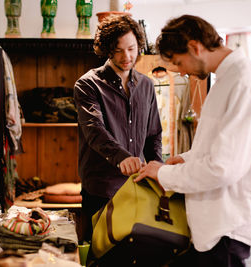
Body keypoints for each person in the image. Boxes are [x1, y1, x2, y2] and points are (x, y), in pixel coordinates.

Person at [134, 15, 251, 267]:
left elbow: (224, 167)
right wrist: (186, 158)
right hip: (216, 221)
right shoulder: (227, 78)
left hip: (229, 222)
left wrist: (164, 174)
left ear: (194, 47)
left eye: (179, 62)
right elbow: (220, 144)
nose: (181, 71)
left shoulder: (245, 82)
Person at [74, 15, 163, 242]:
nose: (127, 57)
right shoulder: (87, 84)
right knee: (101, 254)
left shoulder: (146, 85)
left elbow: (153, 134)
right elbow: (94, 129)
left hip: (139, 188)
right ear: (106, 50)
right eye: (118, 50)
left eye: (132, 48)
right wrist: (121, 157)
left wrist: (159, 171)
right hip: (101, 189)